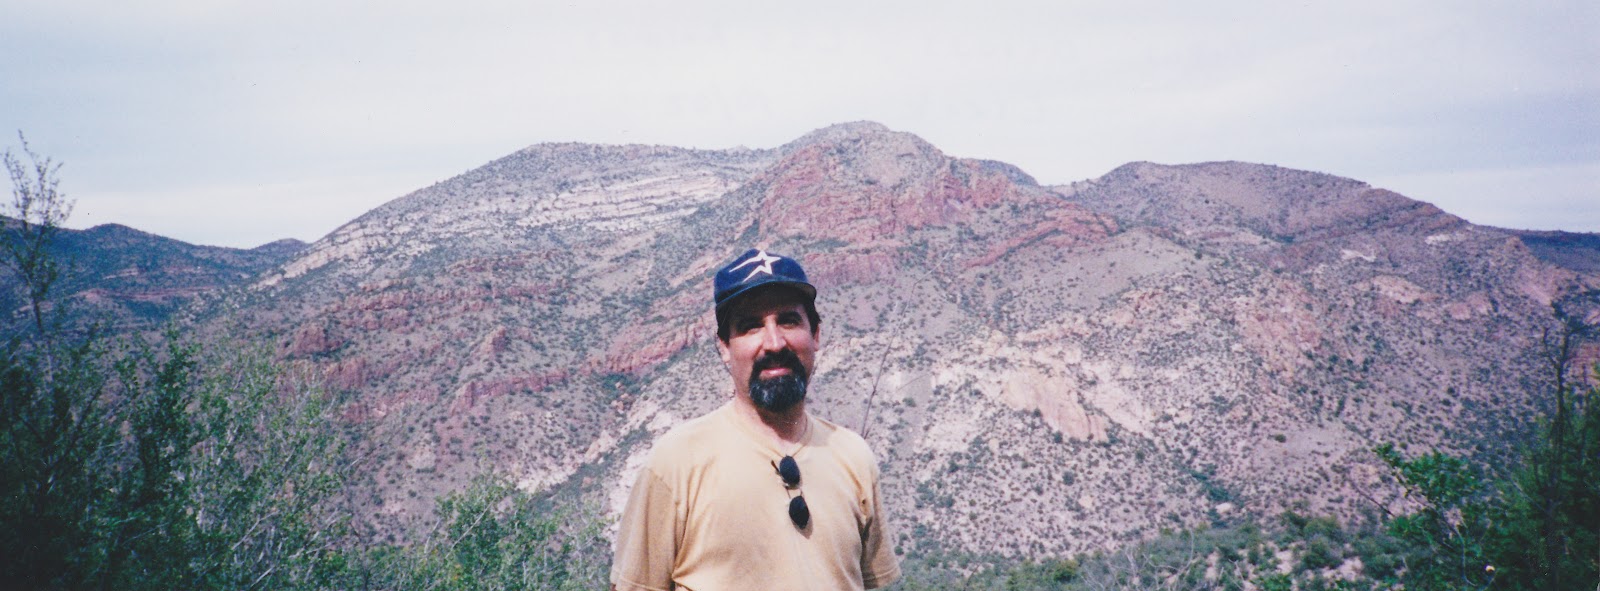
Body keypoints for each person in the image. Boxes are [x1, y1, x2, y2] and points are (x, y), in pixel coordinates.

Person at [610, 248, 901, 591]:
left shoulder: (853, 456)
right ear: (724, 347)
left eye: (788, 321)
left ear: (815, 334)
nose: (774, 343)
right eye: (751, 326)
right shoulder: (676, 463)